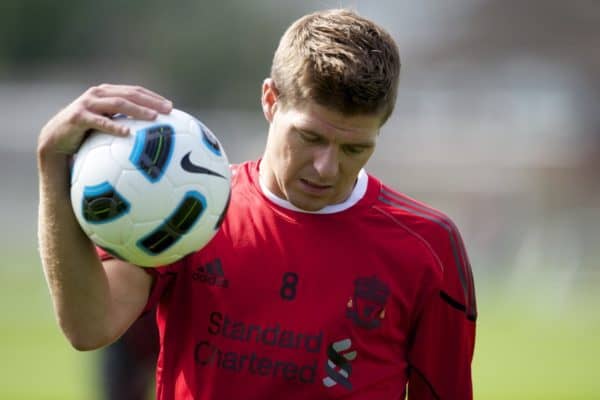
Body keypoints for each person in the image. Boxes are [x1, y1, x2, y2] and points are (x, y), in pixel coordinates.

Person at [37, 9, 477, 399]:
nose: (326, 167)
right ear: (270, 100)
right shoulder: (188, 207)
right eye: (310, 138)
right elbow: (89, 327)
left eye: (354, 149)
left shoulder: (428, 246)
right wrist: (51, 161)